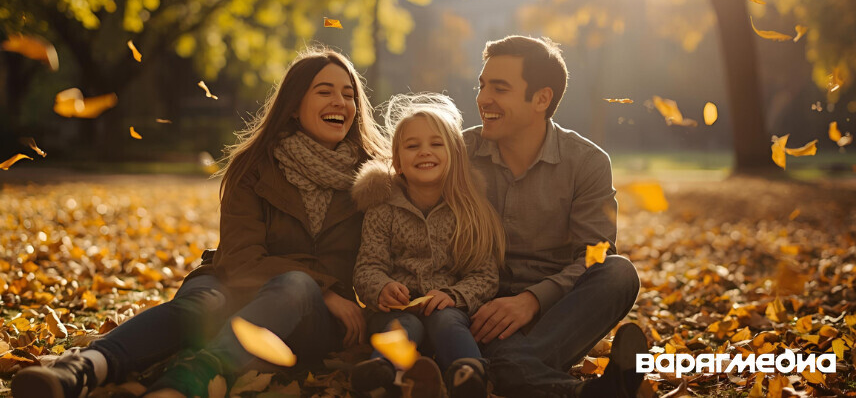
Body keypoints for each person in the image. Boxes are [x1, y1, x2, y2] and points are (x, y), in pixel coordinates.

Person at [11, 47, 388, 398]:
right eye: (324, 91)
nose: (340, 102)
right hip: (231, 280)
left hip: (309, 319)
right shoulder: (254, 167)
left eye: (348, 94)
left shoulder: (375, 179)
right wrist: (326, 288)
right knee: (200, 306)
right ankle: (81, 369)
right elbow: (240, 259)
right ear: (293, 106)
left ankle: (184, 383)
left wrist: (324, 293)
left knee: (296, 286)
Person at [463, 35, 646, 398]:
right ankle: (582, 391)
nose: (483, 99)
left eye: (499, 88)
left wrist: (532, 300)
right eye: (482, 86)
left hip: (557, 311)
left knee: (618, 272)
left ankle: (513, 365)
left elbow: (594, 254)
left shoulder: (587, 162)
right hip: (479, 309)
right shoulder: (458, 152)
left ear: (541, 99)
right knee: (504, 354)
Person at [348, 93, 505, 398]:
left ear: (454, 154)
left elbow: (485, 275)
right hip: (397, 311)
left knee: (446, 321)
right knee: (404, 326)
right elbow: (368, 267)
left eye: (436, 144)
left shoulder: (468, 210)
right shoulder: (382, 209)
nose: (424, 152)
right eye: (412, 146)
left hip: (447, 309)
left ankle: (469, 375)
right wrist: (381, 288)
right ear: (398, 161)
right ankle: (381, 376)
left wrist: (453, 295)